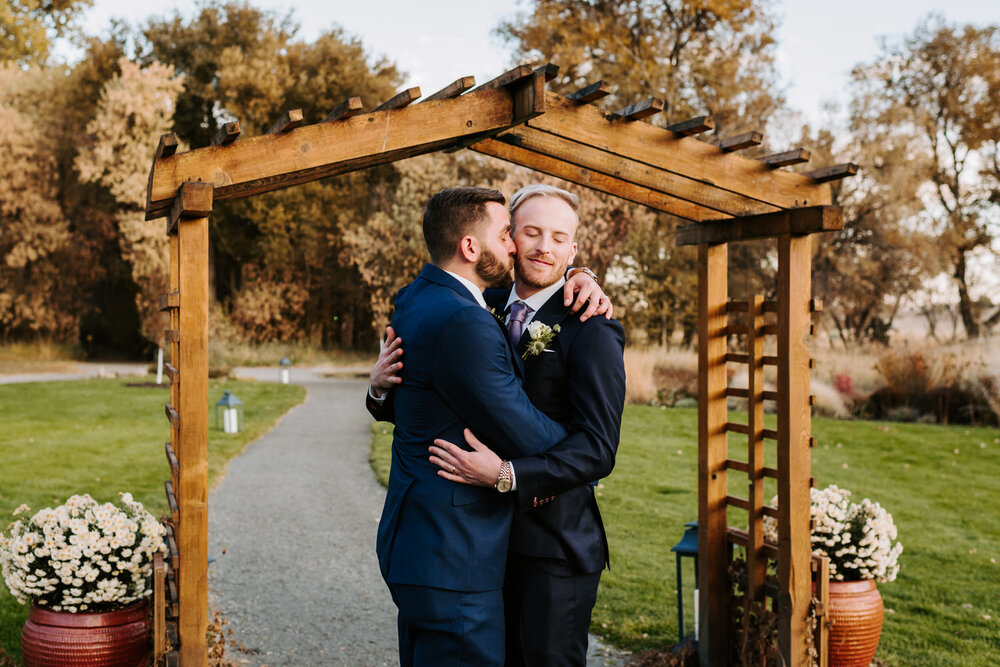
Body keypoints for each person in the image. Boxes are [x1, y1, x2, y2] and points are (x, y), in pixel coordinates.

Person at [372, 185, 626, 667]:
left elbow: (595, 451)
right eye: (528, 232)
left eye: (558, 238)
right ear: (508, 237)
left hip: (550, 545)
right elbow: (434, 389)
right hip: (482, 545)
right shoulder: (480, 301)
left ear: (574, 250)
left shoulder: (590, 327)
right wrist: (378, 388)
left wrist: (507, 475)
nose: (541, 247)